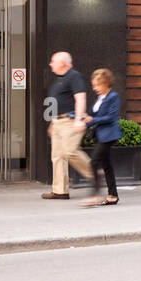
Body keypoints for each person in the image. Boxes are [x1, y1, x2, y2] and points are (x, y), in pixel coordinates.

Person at [42, 51, 93, 199]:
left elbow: (80, 99)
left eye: (53, 61)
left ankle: (95, 174)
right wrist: (53, 123)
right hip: (58, 121)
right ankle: (60, 191)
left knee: (70, 151)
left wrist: (78, 119)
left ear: (63, 63)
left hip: (70, 121)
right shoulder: (60, 79)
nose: (50, 64)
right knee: (57, 156)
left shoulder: (74, 76)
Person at [81, 68, 120, 207]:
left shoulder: (113, 96)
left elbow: (111, 117)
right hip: (100, 135)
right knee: (106, 165)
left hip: (108, 135)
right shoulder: (100, 98)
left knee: (93, 163)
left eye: (97, 85)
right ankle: (113, 196)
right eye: (93, 85)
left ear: (106, 83)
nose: (94, 88)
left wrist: (91, 120)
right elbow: (93, 115)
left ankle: (94, 195)